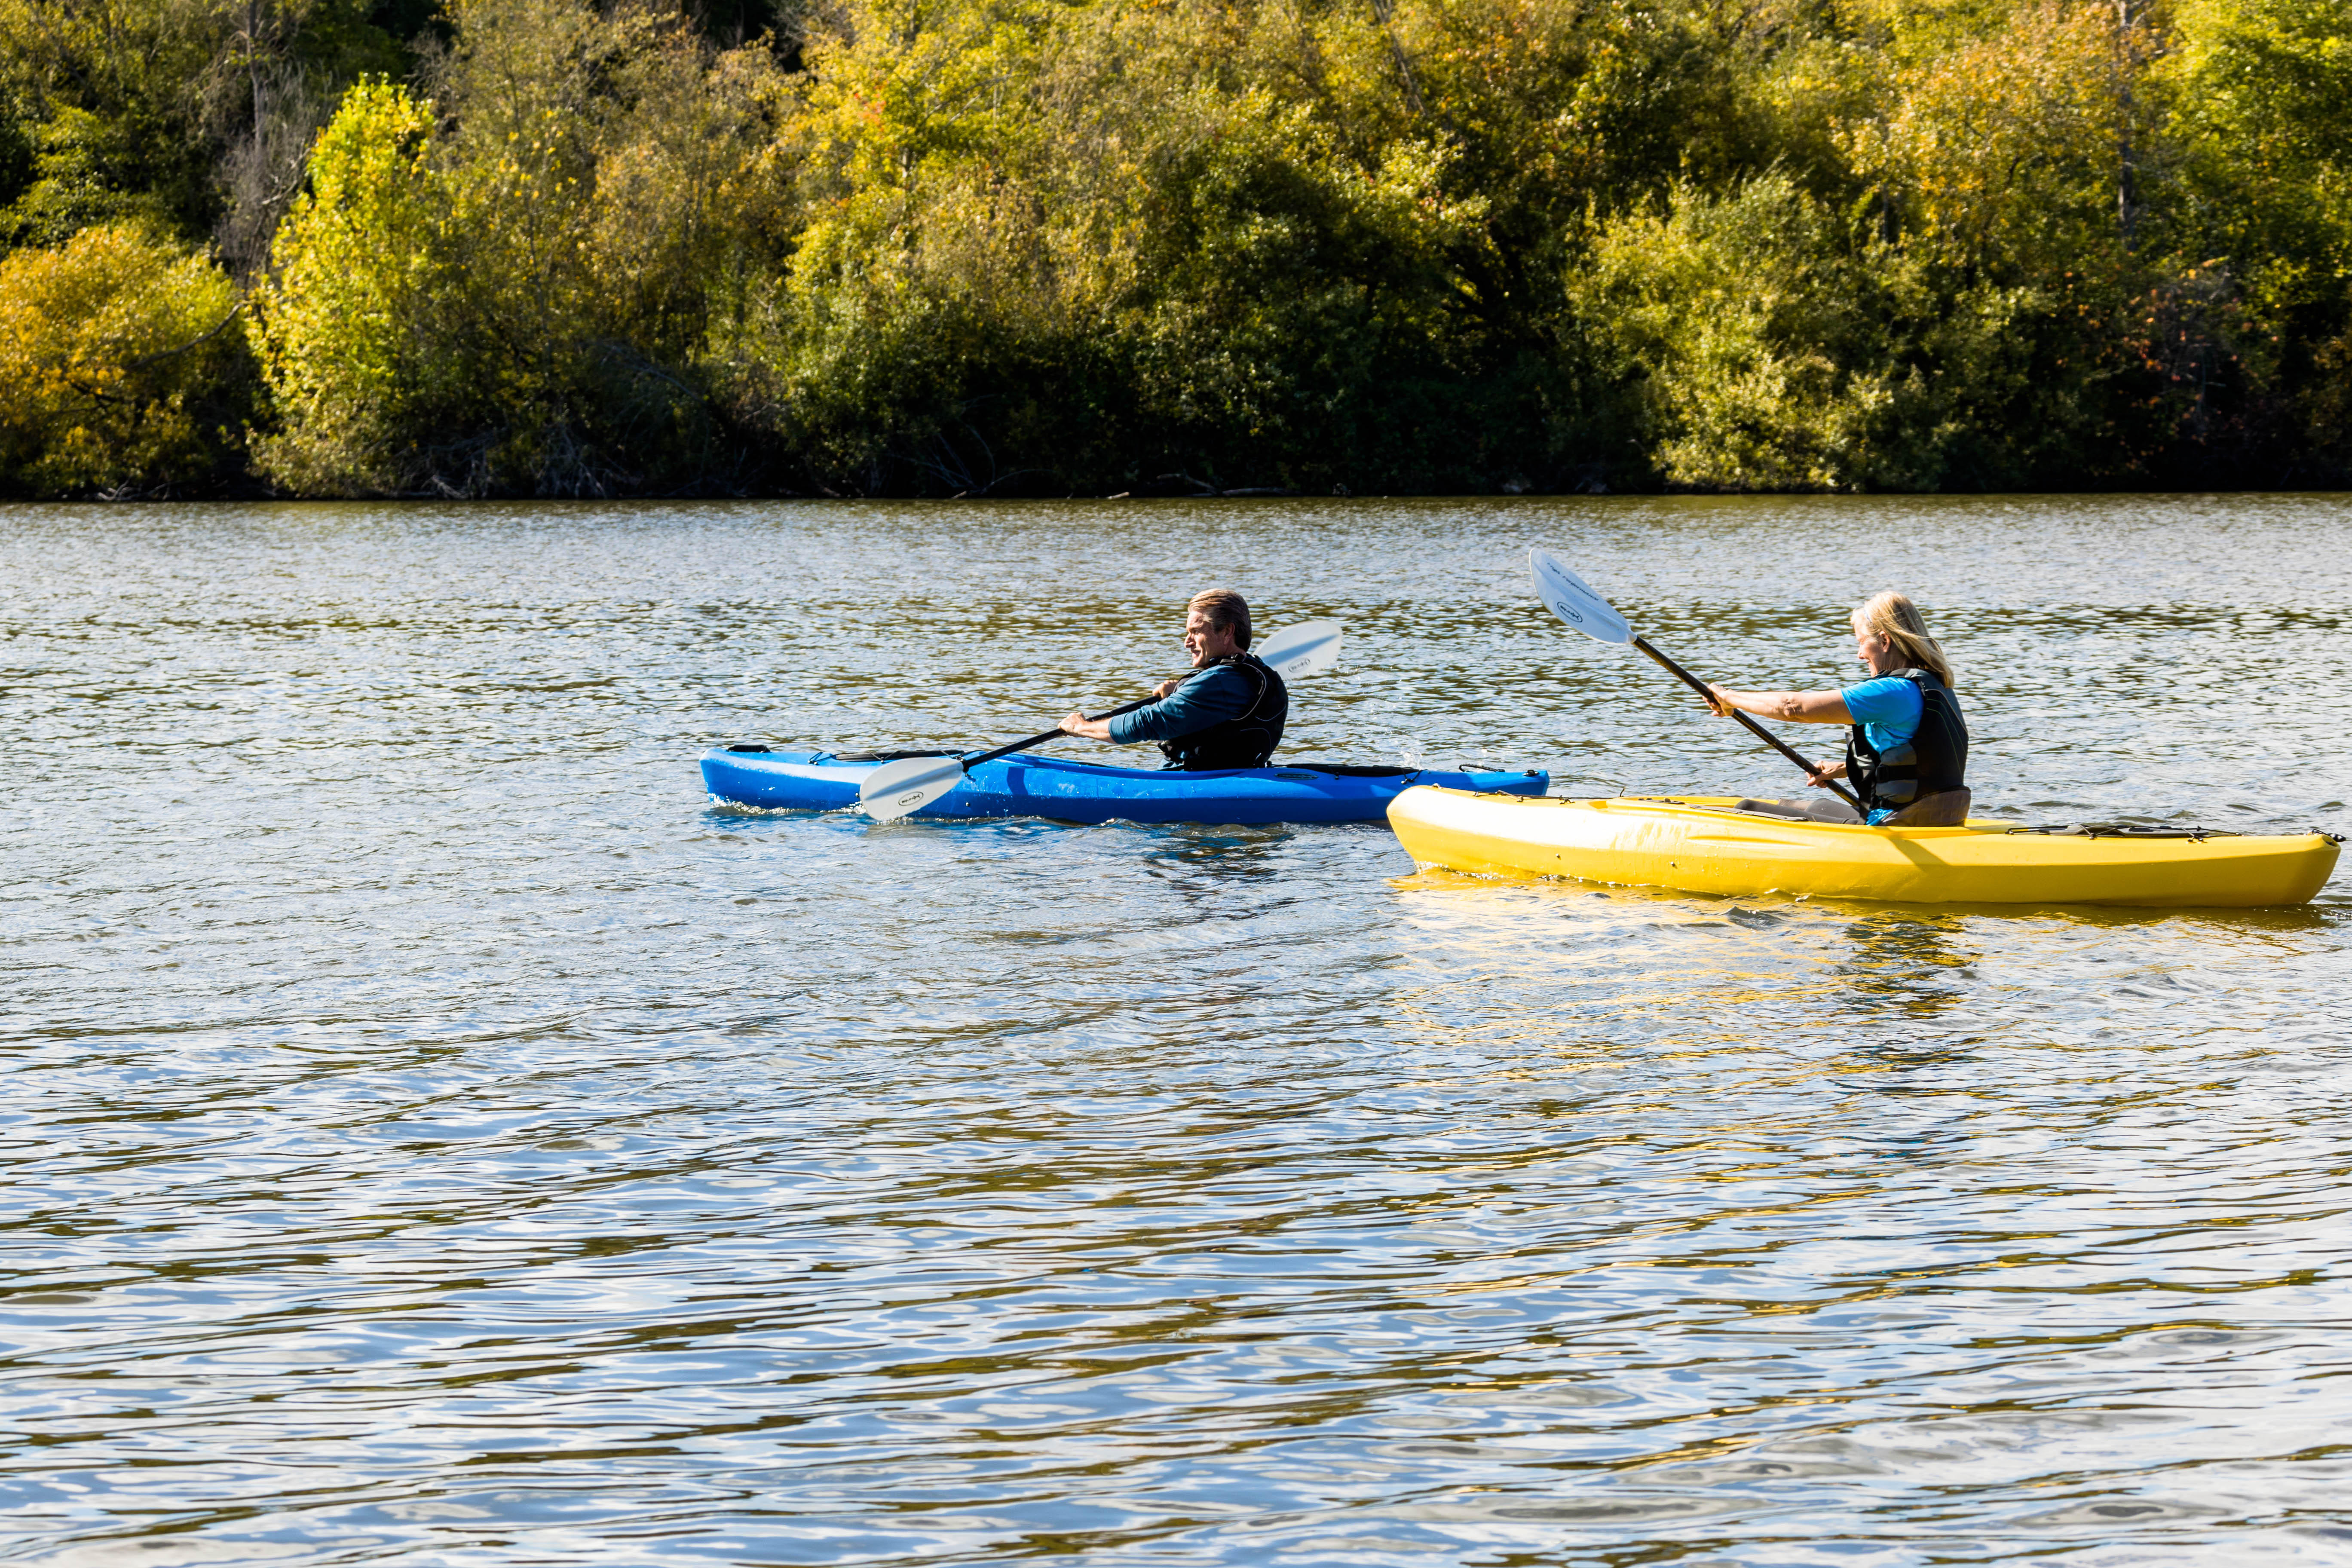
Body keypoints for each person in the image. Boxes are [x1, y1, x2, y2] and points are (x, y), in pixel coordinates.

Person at [1703, 591, 1971, 826]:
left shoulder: (1892, 691)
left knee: (1747, 809)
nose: (1860, 655)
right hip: (1936, 818)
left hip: (1897, 824)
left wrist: (1728, 698)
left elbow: (1792, 708)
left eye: (1861, 642)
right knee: (1808, 806)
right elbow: (1925, 756)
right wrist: (1845, 768)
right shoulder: (1934, 686)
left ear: (1885, 641)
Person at [1059, 588, 1288, 769]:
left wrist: (1080, 727)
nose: (1187, 642)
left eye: (1196, 631)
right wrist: (1182, 689)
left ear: (1227, 632)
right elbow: (1214, 702)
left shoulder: (1221, 682)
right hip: (1235, 773)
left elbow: (1145, 723)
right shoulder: (1254, 671)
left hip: (1196, 782)